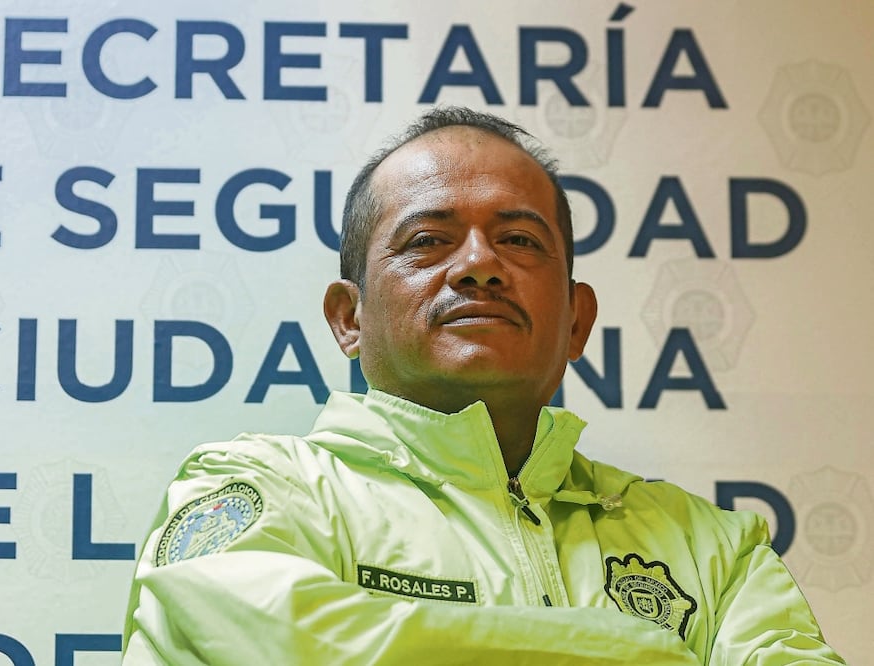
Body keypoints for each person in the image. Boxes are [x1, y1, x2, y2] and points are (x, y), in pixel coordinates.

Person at [122, 107, 844, 665]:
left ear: (576, 322)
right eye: (427, 240)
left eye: (521, 240)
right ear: (349, 318)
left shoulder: (715, 545)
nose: (479, 266)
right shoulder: (259, 491)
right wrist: (640, 650)